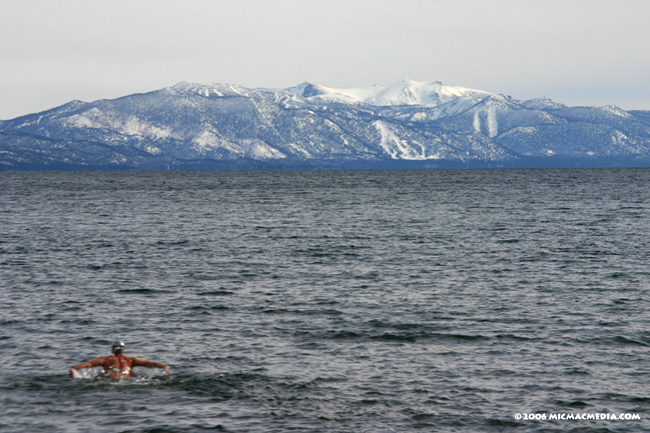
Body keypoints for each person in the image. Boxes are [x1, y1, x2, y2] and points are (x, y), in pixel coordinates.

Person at [70, 341, 170, 379]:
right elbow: (149, 364)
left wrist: (74, 368)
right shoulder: (131, 360)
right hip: (128, 382)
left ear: (112, 349)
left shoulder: (104, 360)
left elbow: (88, 364)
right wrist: (164, 366)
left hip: (111, 382)